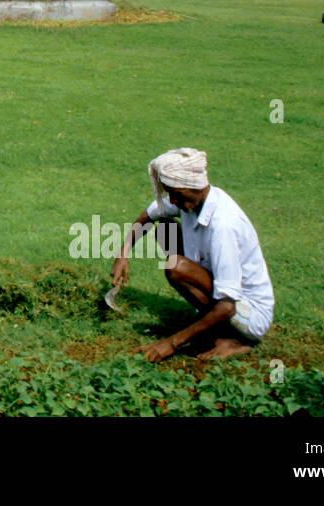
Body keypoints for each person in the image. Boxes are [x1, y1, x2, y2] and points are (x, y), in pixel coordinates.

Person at [111, 148, 275, 362]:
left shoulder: (223, 225)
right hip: (222, 293)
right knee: (164, 228)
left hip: (248, 313)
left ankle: (235, 339)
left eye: (176, 194)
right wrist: (122, 255)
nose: (172, 200)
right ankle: (209, 324)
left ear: (193, 186)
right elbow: (147, 216)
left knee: (176, 266)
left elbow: (227, 306)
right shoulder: (190, 199)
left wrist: (171, 343)